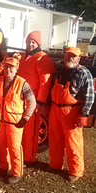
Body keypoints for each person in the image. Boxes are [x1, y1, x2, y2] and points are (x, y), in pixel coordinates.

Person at [48, 47, 94, 183]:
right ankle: (56, 164)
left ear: (79, 58)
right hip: (55, 108)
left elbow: (89, 96)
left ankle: (76, 171)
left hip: (71, 112)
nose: (70, 58)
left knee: (73, 143)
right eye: (68, 55)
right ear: (64, 55)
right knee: (55, 140)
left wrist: (83, 114)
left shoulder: (84, 73)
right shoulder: (59, 69)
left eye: (74, 56)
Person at [0, 56, 36, 185]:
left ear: (17, 68)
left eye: (11, 67)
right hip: (0, 121)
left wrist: (25, 118)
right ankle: (4, 168)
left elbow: (32, 102)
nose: (8, 70)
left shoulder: (22, 83)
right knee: (1, 147)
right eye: (6, 67)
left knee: (14, 148)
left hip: (15, 123)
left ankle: (17, 173)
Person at [17, 30, 54, 164]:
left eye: (33, 42)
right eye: (28, 42)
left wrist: (40, 102)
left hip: (33, 101)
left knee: (30, 132)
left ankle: (28, 158)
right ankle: (18, 155)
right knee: (19, 130)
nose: (30, 44)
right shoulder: (23, 57)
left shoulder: (42, 59)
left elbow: (45, 83)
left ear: (38, 43)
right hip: (19, 100)